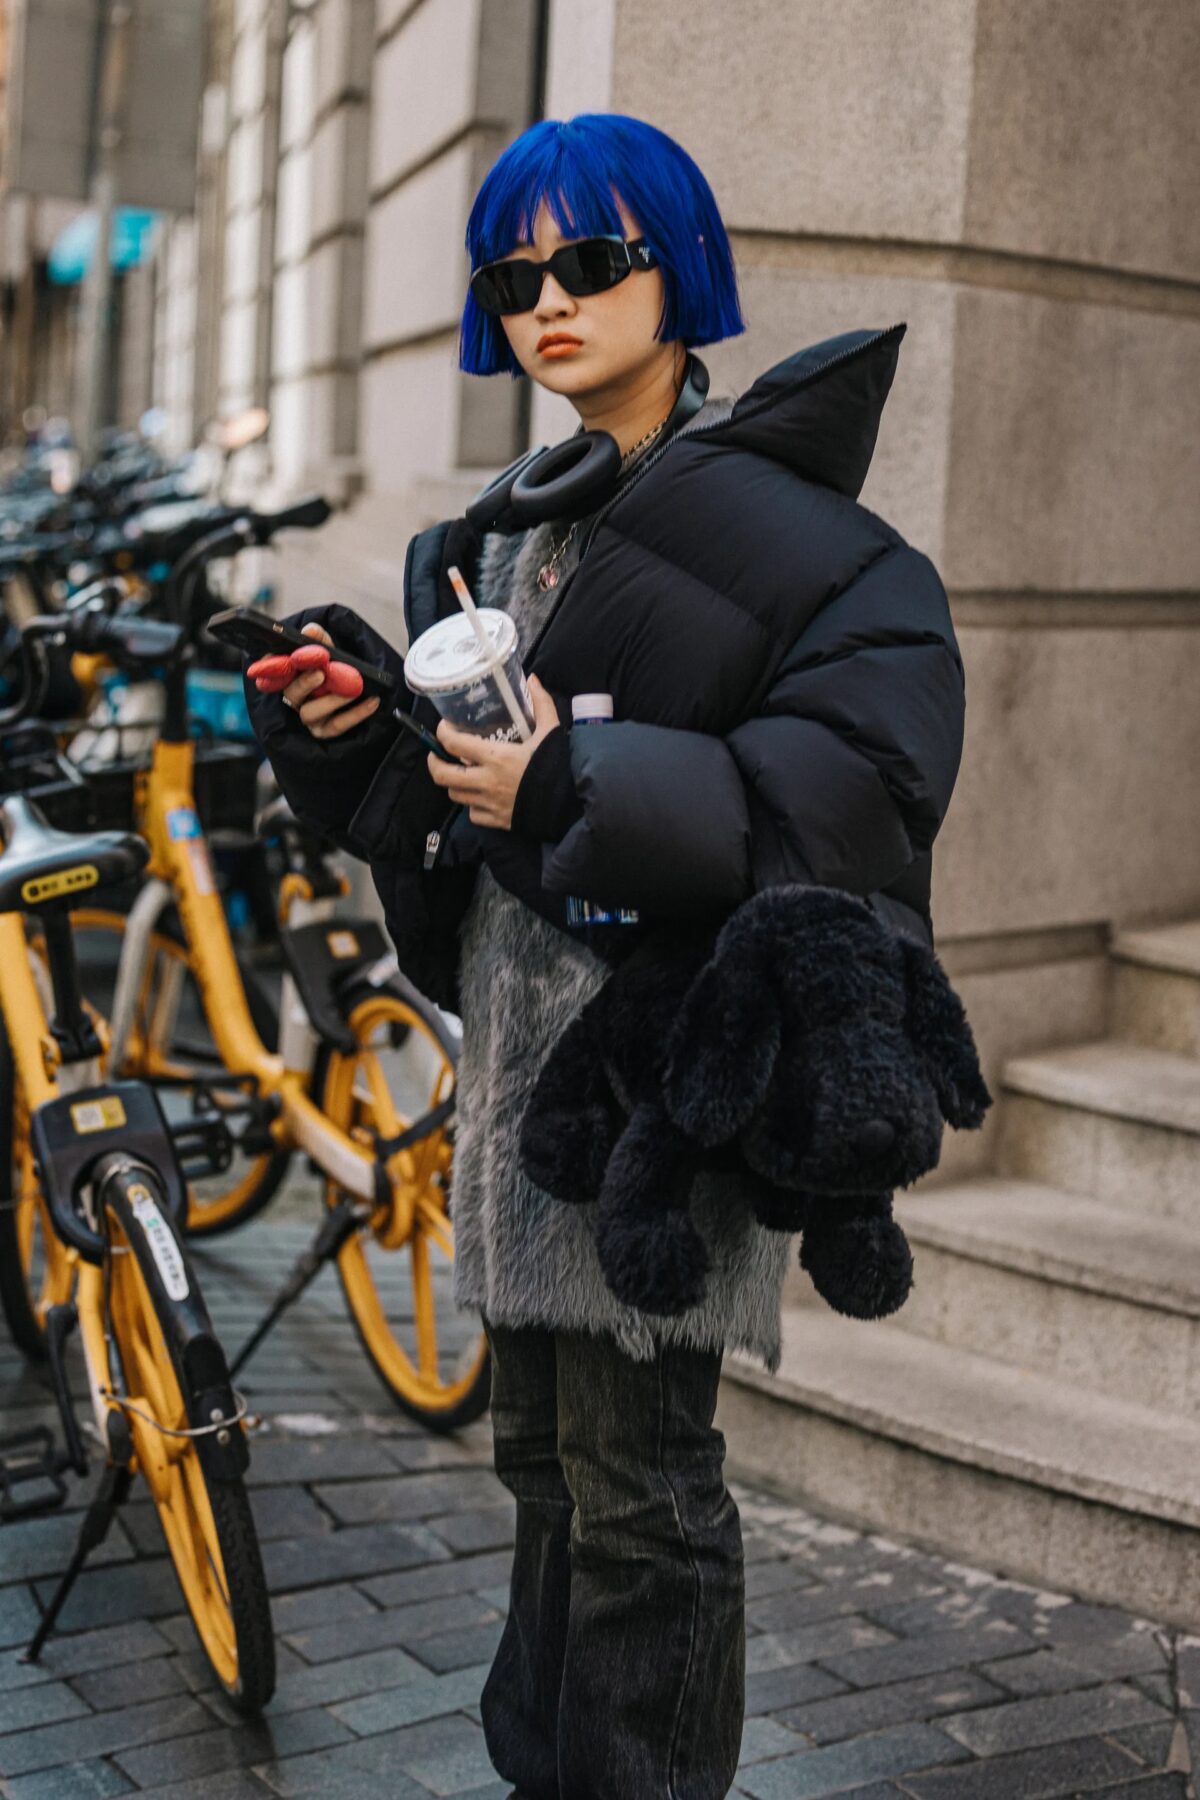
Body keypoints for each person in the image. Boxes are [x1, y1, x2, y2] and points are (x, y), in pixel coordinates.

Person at [246, 113, 967, 1800]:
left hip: (668, 1086)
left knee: (647, 1494)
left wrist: (578, 777)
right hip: (516, 1090)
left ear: (678, 271)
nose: (549, 301)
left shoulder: (823, 549)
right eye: (515, 276)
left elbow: (858, 800)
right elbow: (463, 854)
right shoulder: (489, 541)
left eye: (590, 261)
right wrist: (364, 735)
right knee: (546, 1476)